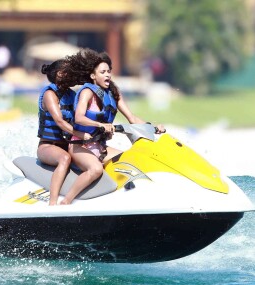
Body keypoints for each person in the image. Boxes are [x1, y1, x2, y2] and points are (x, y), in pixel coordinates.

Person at [55, 48, 165, 205]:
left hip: (99, 147)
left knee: (131, 161)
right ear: (93, 76)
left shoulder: (113, 93)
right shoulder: (87, 92)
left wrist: (153, 128)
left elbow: (132, 118)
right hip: (80, 146)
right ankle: (66, 202)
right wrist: (100, 124)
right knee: (96, 170)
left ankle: (126, 198)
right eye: (103, 72)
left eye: (109, 71)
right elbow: (79, 118)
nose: (108, 75)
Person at [37, 60, 91, 205]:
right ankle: (53, 203)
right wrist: (81, 135)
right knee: (65, 159)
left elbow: (82, 117)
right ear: (60, 74)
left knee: (93, 159)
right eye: (70, 72)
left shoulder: (71, 95)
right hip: (48, 146)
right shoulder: (50, 94)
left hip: (67, 145)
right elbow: (60, 122)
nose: (74, 75)